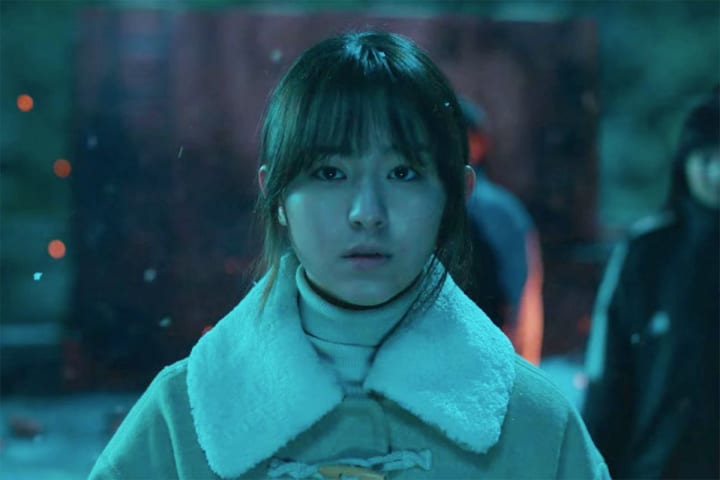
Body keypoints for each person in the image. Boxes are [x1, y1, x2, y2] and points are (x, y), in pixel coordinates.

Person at [90, 31, 607, 479]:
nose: (367, 213)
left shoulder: (537, 426)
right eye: (330, 173)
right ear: (276, 197)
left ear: (457, 196)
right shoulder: (184, 418)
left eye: (403, 173)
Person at [583, 88, 719, 479]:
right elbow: (610, 369)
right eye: (705, 158)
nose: (716, 174)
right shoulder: (649, 251)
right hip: (657, 464)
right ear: (684, 162)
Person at [459, 97, 545, 365]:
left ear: (478, 144)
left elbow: (522, 299)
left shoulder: (497, 211)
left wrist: (520, 367)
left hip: (489, 356)